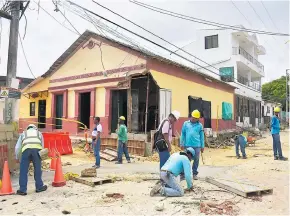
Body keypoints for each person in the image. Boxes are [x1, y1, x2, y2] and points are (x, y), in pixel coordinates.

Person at [15, 124, 47, 195]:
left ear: (28, 128)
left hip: (26, 151)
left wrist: (17, 157)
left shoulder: (23, 133)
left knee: (23, 170)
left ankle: (22, 190)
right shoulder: (39, 133)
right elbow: (42, 145)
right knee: (37, 169)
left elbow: (17, 147)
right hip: (37, 151)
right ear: (35, 128)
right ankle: (39, 187)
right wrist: (41, 156)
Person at [180, 109, 204, 180]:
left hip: (197, 146)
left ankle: (194, 173)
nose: (193, 119)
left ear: (198, 119)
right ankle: (183, 174)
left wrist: (202, 146)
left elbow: (202, 136)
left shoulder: (200, 126)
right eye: (193, 117)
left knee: (196, 160)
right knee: (186, 159)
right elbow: (183, 134)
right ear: (191, 116)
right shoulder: (186, 124)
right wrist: (181, 143)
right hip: (187, 145)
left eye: (195, 118)